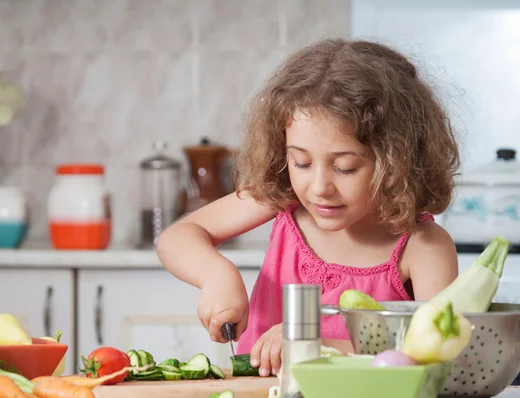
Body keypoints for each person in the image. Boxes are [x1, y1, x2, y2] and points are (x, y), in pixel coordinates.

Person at [156, 38, 461, 378]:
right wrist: (216, 275)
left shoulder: (424, 246)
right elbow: (177, 237)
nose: (319, 188)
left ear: (398, 161)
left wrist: (315, 347)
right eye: (301, 162)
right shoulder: (282, 199)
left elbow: (438, 353)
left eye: (345, 167)